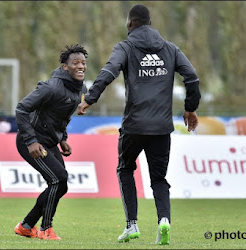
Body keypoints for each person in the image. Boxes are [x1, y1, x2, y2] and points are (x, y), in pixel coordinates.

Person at [77, 5, 201, 245]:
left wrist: (89, 99)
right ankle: (164, 220)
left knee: (125, 169)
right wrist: (190, 107)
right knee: (159, 179)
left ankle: (131, 224)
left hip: (134, 126)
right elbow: (191, 76)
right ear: (150, 22)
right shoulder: (170, 49)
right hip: (161, 128)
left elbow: (109, 70)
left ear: (130, 23)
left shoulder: (125, 47)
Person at [14, 44, 88, 240]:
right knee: (58, 179)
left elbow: (61, 117)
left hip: (49, 142)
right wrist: (30, 141)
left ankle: (26, 225)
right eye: (75, 63)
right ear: (65, 67)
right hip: (30, 141)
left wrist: (63, 139)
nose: (81, 66)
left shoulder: (80, 88)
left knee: (60, 184)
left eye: (83, 63)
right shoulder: (51, 87)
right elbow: (21, 109)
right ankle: (46, 229)